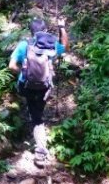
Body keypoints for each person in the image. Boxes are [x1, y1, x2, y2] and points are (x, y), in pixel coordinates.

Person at [8, 16, 68, 162]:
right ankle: (35, 119)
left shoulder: (24, 45)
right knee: (37, 109)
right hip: (43, 87)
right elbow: (65, 46)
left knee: (36, 116)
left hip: (26, 86)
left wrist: (22, 72)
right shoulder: (51, 44)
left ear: (31, 31)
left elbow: (11, 66)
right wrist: (61, 27)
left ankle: (41, 150)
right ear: (45, 30)